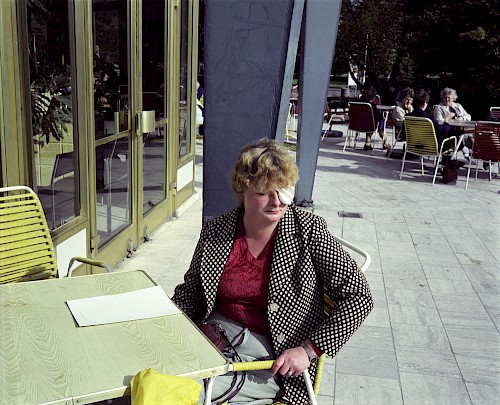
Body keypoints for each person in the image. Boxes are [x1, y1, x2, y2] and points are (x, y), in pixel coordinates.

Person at [172, 139, 373, 404]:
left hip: (271, 359)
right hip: (214, 337)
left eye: (284, 190)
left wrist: (308, 350)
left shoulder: (307, 231)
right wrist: (165, 326)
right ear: (243, 190)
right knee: (147, 370)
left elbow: (359, 296)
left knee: (178, 392)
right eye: (265, 192)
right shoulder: (216, 231)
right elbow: (192, 292)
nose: (277, 201)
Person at [433, 87, 472, 157]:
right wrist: (449, 118)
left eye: (449, 98)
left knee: (475, 135)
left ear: (453, 98)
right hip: (449, 132)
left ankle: (483, 156)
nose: (447, 99)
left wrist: (463, 117)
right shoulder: (438, 107)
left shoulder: (458, 106)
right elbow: (438, 122)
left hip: (463, 130)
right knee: (465, 135)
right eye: (445, 97)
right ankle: (464, 149)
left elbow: (469, 116)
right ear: (442, 98)